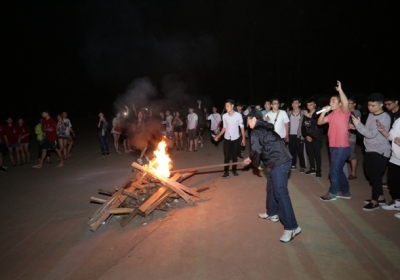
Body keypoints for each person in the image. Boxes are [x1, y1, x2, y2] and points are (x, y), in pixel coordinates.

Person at [244, 109, 301, 242]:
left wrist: (255, 162)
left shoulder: (256, 131)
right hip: (280, 160)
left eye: (248, 120)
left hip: (278, 162)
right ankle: (271, 213)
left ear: (253, 119)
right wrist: (251, 158)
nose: (247, 123)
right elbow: (264, 146)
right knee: (271, 187)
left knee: (281, 193)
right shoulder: (265, 127)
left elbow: (256, 149)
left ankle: (292, 227)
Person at [351, 93, 391, 211]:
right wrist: (357, 126)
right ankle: (381, 197)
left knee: (375, 176)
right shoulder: (371, 114)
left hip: (380, 151)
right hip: (369, 149)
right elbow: (367, 131)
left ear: (381, 105)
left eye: (373, 105)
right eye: (369, 105)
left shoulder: (384, 118)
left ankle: (375, 202)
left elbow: (370, 134)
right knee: (370, 175)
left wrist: (358, 125)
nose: (370, 107)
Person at [318, 81, 351, 201]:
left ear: (340, 104)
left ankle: (333, 193)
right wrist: (323, 112)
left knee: (333, 172)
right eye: (330, 101)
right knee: (338, 171)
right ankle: (346, 191)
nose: (330, 103)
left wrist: (340, 90)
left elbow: (346, 102)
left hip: (342, 147)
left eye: (333, 101)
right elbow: (320, 122)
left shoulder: (344, 112)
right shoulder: (331, 114)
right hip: (333, 147)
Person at [214, 99, 245, 178]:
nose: (226, 107)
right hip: (227, 138)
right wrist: (218, 135)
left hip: (236, 138)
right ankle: (226, 172)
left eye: (228, 106)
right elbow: (224, 128)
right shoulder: (224, 116)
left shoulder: (238, 115)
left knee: (234, 156)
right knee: (227, 156)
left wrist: (243, 138)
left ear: (232, 106)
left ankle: (234, 170)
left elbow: (241, 127)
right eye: (225, 106)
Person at [378, 118, 400, 217]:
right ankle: (398, 204)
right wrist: (383, 131)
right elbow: (391, 136)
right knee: (392, 182)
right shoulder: (398, 120)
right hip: (395, 158)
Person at [302, 99, 323, 177]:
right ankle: (312, 168)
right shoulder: (306, 114)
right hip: (308, 137)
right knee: (310, 154)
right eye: (308, 105)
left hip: (317, 137)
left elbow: (318, 124)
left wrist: (310, 117)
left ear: (314, 104)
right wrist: (306, 135)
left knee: (317, 154)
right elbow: (303, 126)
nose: (309, 106)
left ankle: (318, 170)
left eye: (311, 104)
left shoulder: (318, 113)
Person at [288, 98, 306, 172]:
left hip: (299, 135)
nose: (294, 104)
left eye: (296, 103)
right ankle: (293, 164)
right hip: (291, 134)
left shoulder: (303, 112)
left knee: (300, 151)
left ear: (299, 104)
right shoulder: (288, 113)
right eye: (293, 103)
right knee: (292, 151)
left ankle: (302, 166)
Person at [347, 97, 361, 179]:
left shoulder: (356, 112)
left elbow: (354, 125)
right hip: (344, 136)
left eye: (350, 103)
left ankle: (353, 173)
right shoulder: (346, 111)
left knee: (352, 155)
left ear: (354, 104)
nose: (348, 104)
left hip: (351, 137)